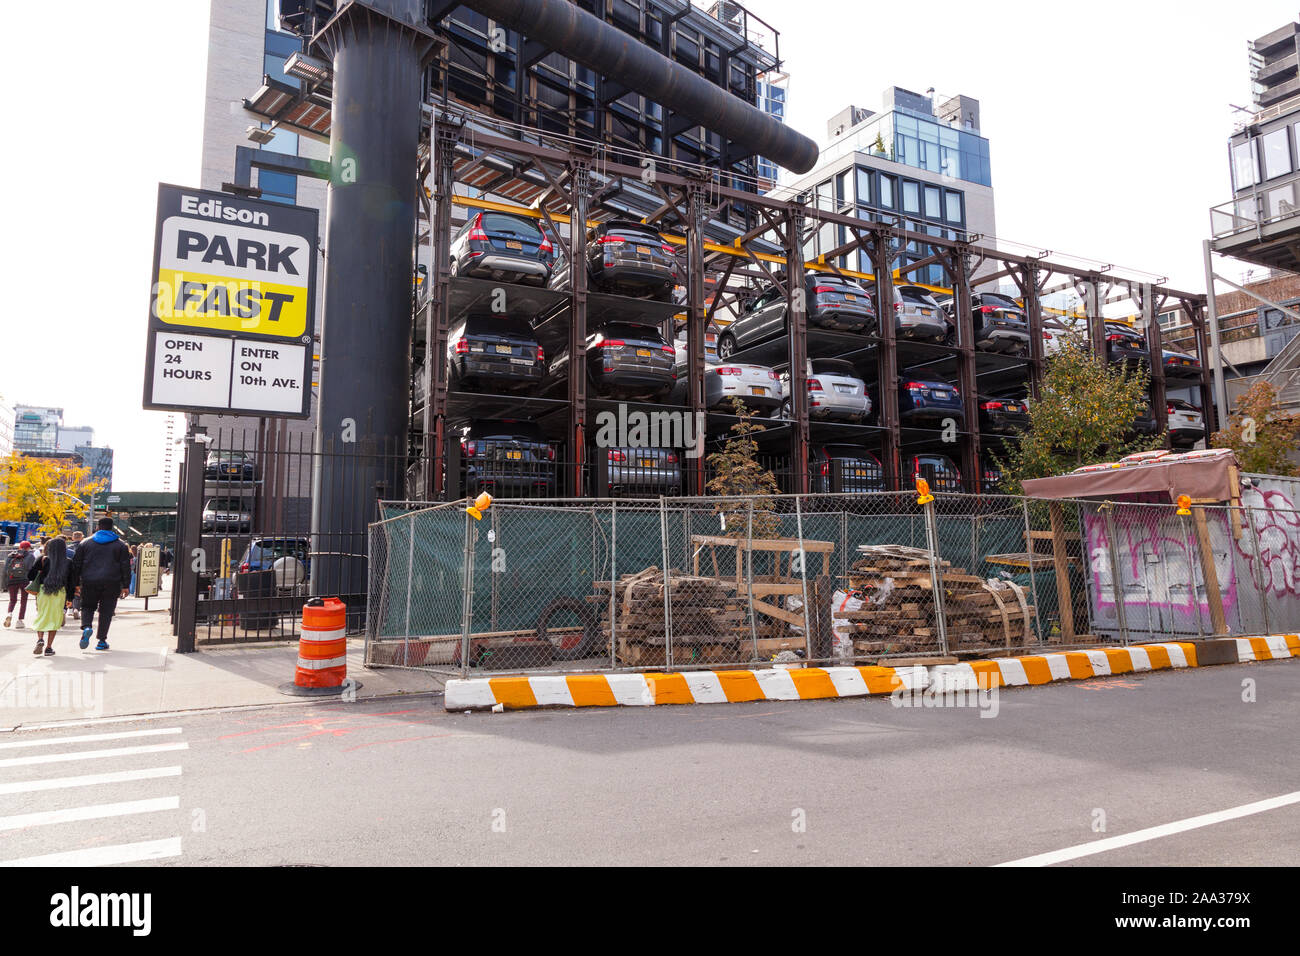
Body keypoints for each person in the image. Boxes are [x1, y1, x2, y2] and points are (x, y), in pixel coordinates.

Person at [69, 517, 131, 651]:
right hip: (112, 582)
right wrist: (126, 585)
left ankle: (87, 627)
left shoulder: (85, 543)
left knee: (87, 607)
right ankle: (102, 641)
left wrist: (76, 583)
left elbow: (76, 564)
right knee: (106, 611)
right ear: (112, 528)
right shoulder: (120, 545)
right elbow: (125, 566)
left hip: (89, 581)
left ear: (98, 527)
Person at [28, 536, 71, 656]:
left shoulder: (42, 559)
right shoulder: (68, 562)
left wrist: (40, 571)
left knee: (42, 615)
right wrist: (70, 598)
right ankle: (48, 647)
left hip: (43, 591)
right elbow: (71, 581)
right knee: (55, 619)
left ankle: (40, 639)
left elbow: (30, 576)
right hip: (60, 592)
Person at [4, 541, 36, 629]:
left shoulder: (11, 556)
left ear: (20, 547)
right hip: (24, 580)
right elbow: (31, 569)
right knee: (23, 601)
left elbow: (6, 570)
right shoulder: (30, 556)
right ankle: (20, 621)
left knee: (12, 599)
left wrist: (5, 583)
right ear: (28, 548)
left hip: (12, 580)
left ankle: (9, 613)